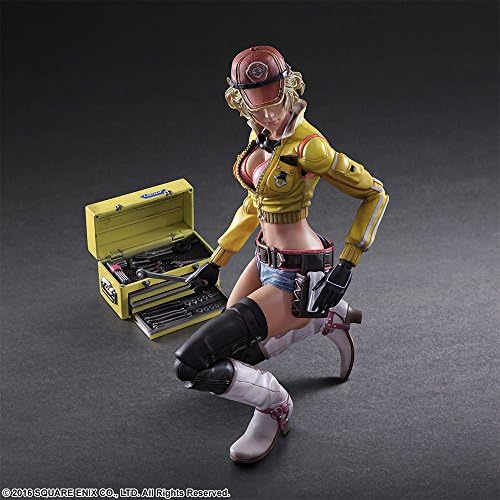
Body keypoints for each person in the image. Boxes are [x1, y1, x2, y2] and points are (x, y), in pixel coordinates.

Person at [174, 46, 389, 463]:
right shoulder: (260, 136)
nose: (270, 115)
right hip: (264, 260)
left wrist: (346, 266)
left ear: (290, 90)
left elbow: (375, 194)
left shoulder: (310, 148)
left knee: (191, 364)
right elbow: (253, 205)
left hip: (297, 271)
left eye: (276, 104)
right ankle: (323, 317)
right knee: (233, 352)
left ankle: (273, 404)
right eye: (258, 107)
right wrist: (217, 261)